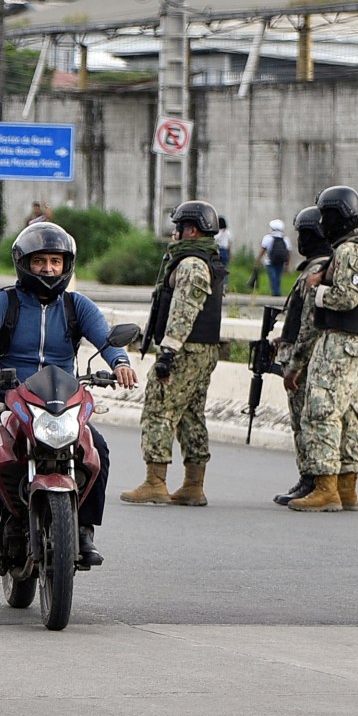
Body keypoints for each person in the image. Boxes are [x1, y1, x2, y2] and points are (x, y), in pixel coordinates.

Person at [0, 220, 136, 568]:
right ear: (24, 263)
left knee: (97, 448)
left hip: (62, 402)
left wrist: (121, 362)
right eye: (41, 261)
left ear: (67, 265)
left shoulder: (76, 305)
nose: (49, 269)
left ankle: (84, 530)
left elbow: (105, 338)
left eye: (56, 261)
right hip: (8, 398)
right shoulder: (3, 303)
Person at [124, 200, 228, 506]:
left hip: (184, 350)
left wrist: (167, 353)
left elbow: (184, 311)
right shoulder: (207, 260)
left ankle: (155, 482)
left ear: (191, 230)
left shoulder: (192, 264)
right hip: (201, 350)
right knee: (191, 414)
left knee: (159, 410)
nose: (174, 234)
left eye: (178, 228)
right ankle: (193, 485)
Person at [288, 185, 358, 512]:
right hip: (353, 342)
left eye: (326, 214)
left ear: (337, 216)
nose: (323, 222)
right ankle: (346, 487)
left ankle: (327, 486)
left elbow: (346, 298)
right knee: (348, 413)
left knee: (321, 410)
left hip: (343, 342)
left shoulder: (351, 251)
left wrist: (317, 291)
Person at [272, 205, 331, 506]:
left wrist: (294, 364)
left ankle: (312, 480)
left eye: (303, 234)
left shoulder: (317, 270)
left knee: (305, 423)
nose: (299, 241)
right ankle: (309, 479)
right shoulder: (315, 268)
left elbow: (309, 322)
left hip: (305, 362)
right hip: (303, 355)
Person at [257, 219, 291, 297]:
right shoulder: (285, 239)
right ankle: (277, 292)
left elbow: (263, 250)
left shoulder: (267, 238)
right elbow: (288, 253)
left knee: (273, 277)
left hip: (269, 262)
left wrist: (258, 261)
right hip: (281, 261)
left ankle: (276, 292)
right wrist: (288, 264)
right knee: (278, 277)